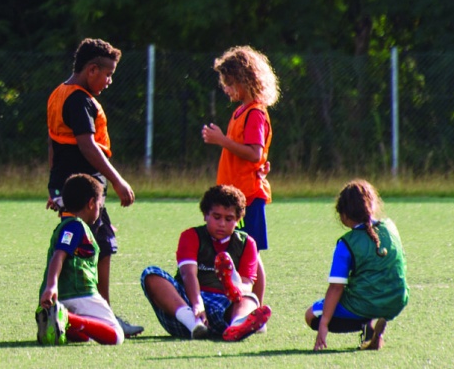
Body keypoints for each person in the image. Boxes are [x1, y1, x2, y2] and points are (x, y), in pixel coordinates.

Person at [46, 38, 143, 337]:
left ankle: (72, 315)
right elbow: (88, 145)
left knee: (75, 246)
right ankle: (102, 314)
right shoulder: (79, 99)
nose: (110, 80)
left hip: (67, 185)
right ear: (91, 70)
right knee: (99, 246)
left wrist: (53, 185)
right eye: (108, 73)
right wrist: (117, 179)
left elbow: (52, 142)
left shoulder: (58, 93)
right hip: (84, 188)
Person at [140, 185, 273, 342]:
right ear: (205, 215)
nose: (222, 223)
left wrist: (236, 289)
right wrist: (197, 305)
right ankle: (194, 324)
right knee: (151, 274)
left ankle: (237, 326)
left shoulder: (246, 243)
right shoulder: (191, 236)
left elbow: (247, 285)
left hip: (224, 306)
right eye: (217, 217)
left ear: (238, 220)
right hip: (188, 304)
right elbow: (188, 274)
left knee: (249, 299)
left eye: (229, 219)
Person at [201, 45, 277, 303]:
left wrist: (222, 140)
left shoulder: (255, 113)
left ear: (246, 80)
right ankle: (240, 304)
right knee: (238, 253)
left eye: (231, 83)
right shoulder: (240, 111)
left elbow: (254, 153)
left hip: (248, 196)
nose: (226, 88)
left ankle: (257, 309)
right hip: (236, 195)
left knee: (251, 255)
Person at [307, 179, 408, 351]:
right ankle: (374, 323)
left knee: (311, 315)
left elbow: (336, 288)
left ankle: (367, 322)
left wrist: (324, 324)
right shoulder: (391, 227)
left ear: (344, 215)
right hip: (398, 299)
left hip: (365, 302)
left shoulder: (347, 243)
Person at [37, 173, 126, 345]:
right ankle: (67, 317)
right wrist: (51, 286)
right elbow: (59, 255)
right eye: (99, 205)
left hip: (56, 298)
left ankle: (60, 321)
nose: (99, 210)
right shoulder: (76, 227)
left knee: (85, 337)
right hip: (79, 293)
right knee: (116, 336)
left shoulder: (65, 225)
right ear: (91, 203)